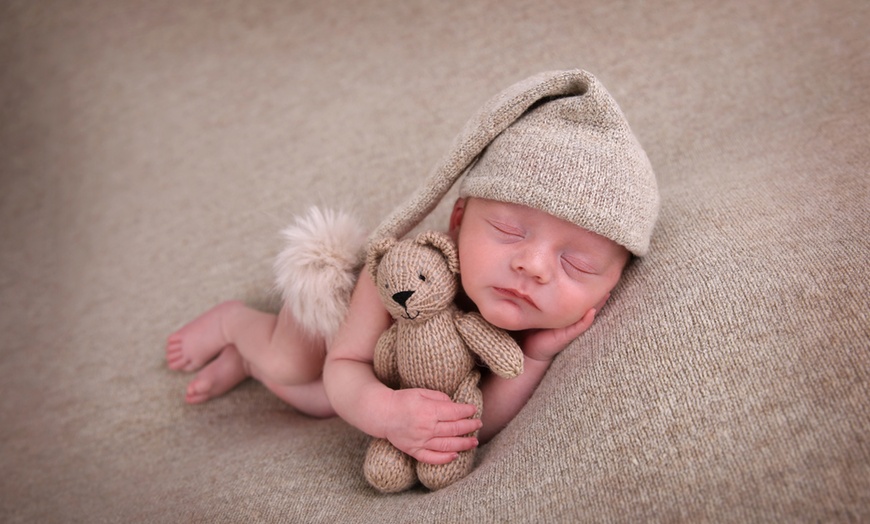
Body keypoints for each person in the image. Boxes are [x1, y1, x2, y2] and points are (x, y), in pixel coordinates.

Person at [166, 69, 659, 466]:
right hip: (333, 330)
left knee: (316, 403)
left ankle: (246, 361)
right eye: (510, 231)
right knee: (296, 366)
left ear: (613, 282)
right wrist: (384, 411)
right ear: (459, 219)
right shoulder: (407, 271)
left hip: (384, 370)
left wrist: (536, 357)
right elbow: (344, 367)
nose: (532, 266)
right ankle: (238, 324)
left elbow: (473, 422)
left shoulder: (533, 322)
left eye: (577, 264)